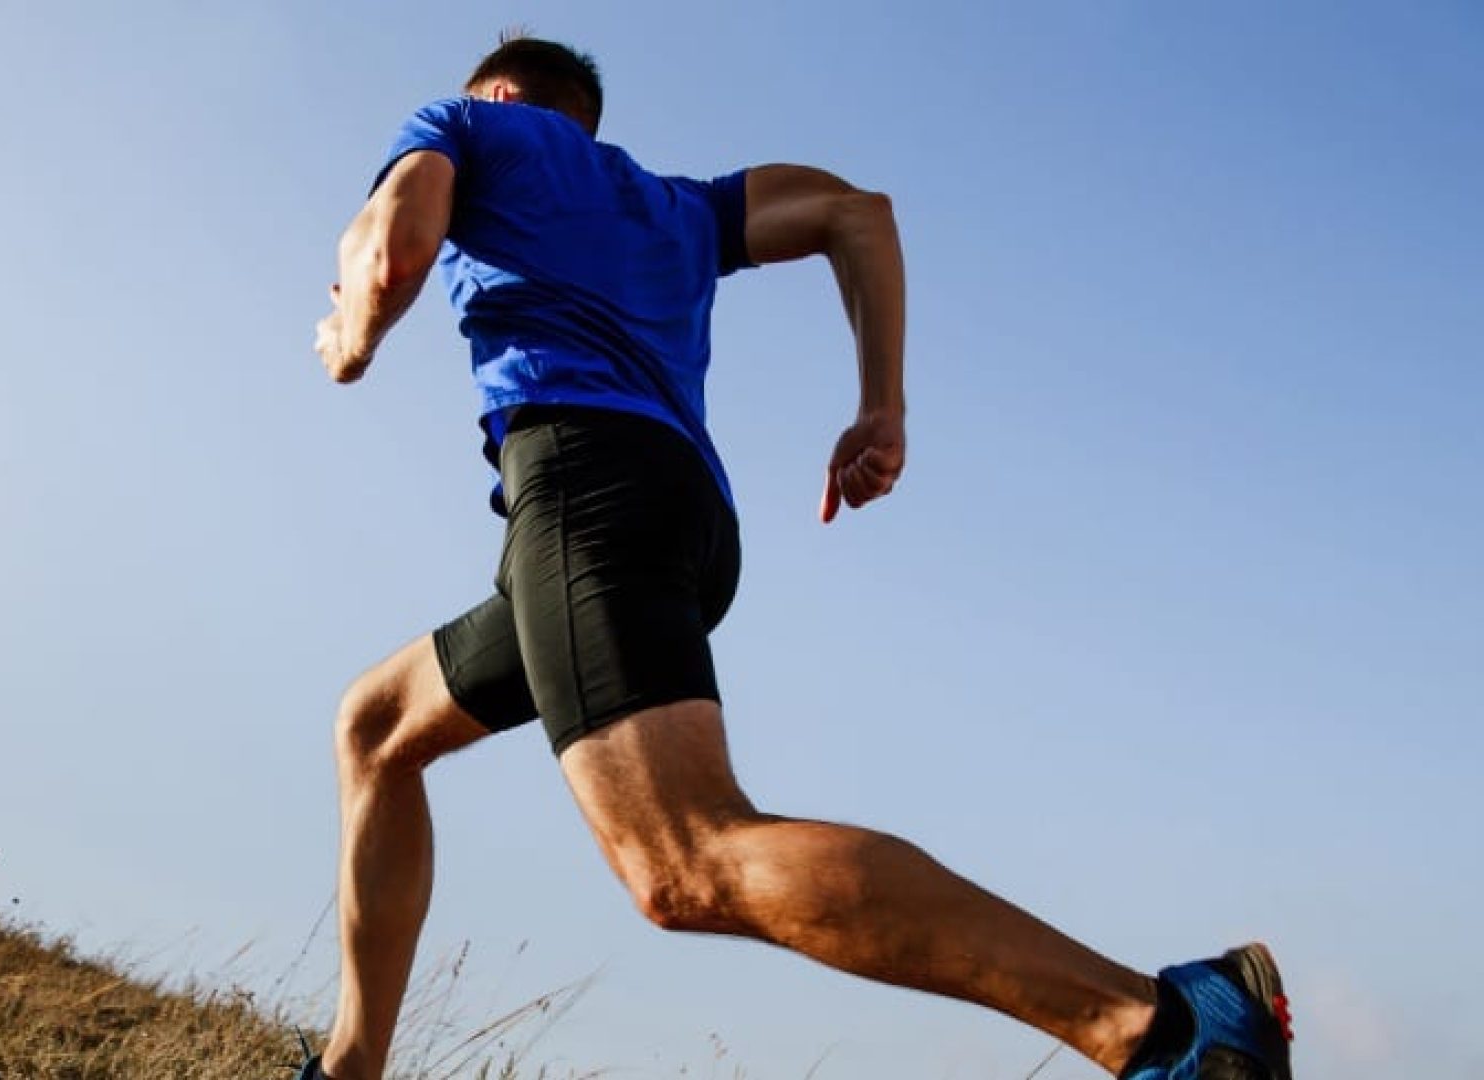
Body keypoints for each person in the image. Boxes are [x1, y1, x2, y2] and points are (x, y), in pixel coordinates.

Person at [305, 35, 1293, 1080]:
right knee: (375, 728)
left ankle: (1157, 1027)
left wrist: (352, 336)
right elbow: (855, 213)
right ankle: (349, 1067)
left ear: (502, 96)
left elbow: (391, 253)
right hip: (682, 519)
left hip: (587, 491)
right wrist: (882, 404)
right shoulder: (678, 208)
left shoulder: (466, 125)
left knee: (681, 861)